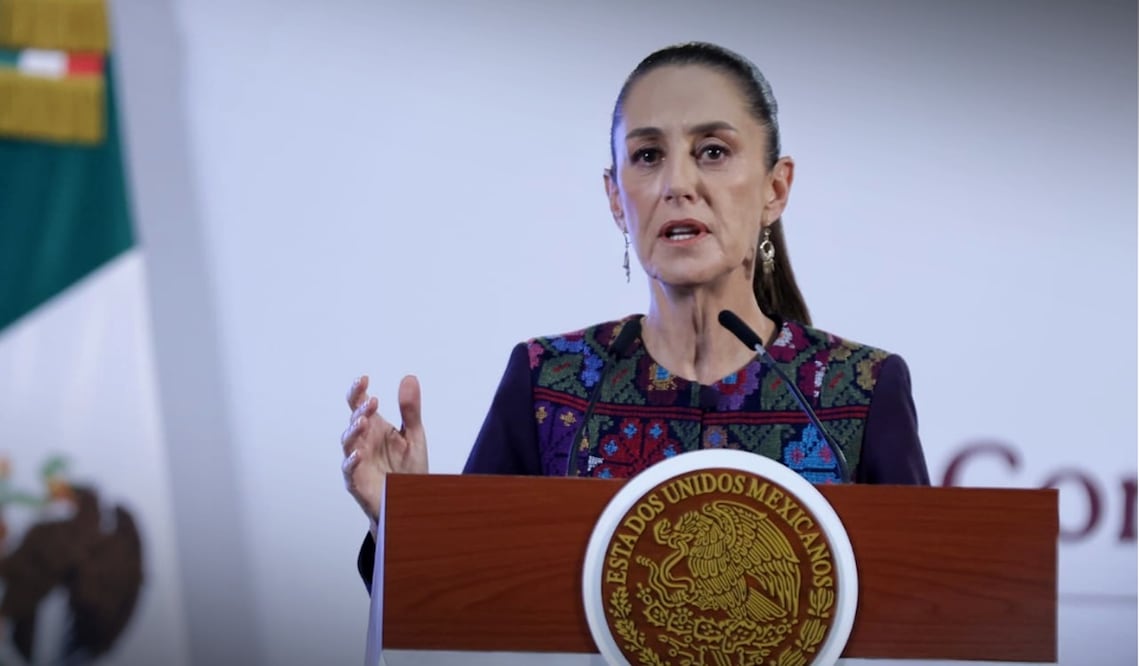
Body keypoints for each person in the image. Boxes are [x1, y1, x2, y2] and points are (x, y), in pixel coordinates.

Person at [340, 42, 930, 593]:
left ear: (776, 189)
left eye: (713, 152)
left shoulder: (861, 389)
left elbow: (926, 607)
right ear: (616, 198)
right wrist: (400, 519)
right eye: (648, 156)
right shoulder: (548, 381)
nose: (678, 184)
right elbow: (462, 604)